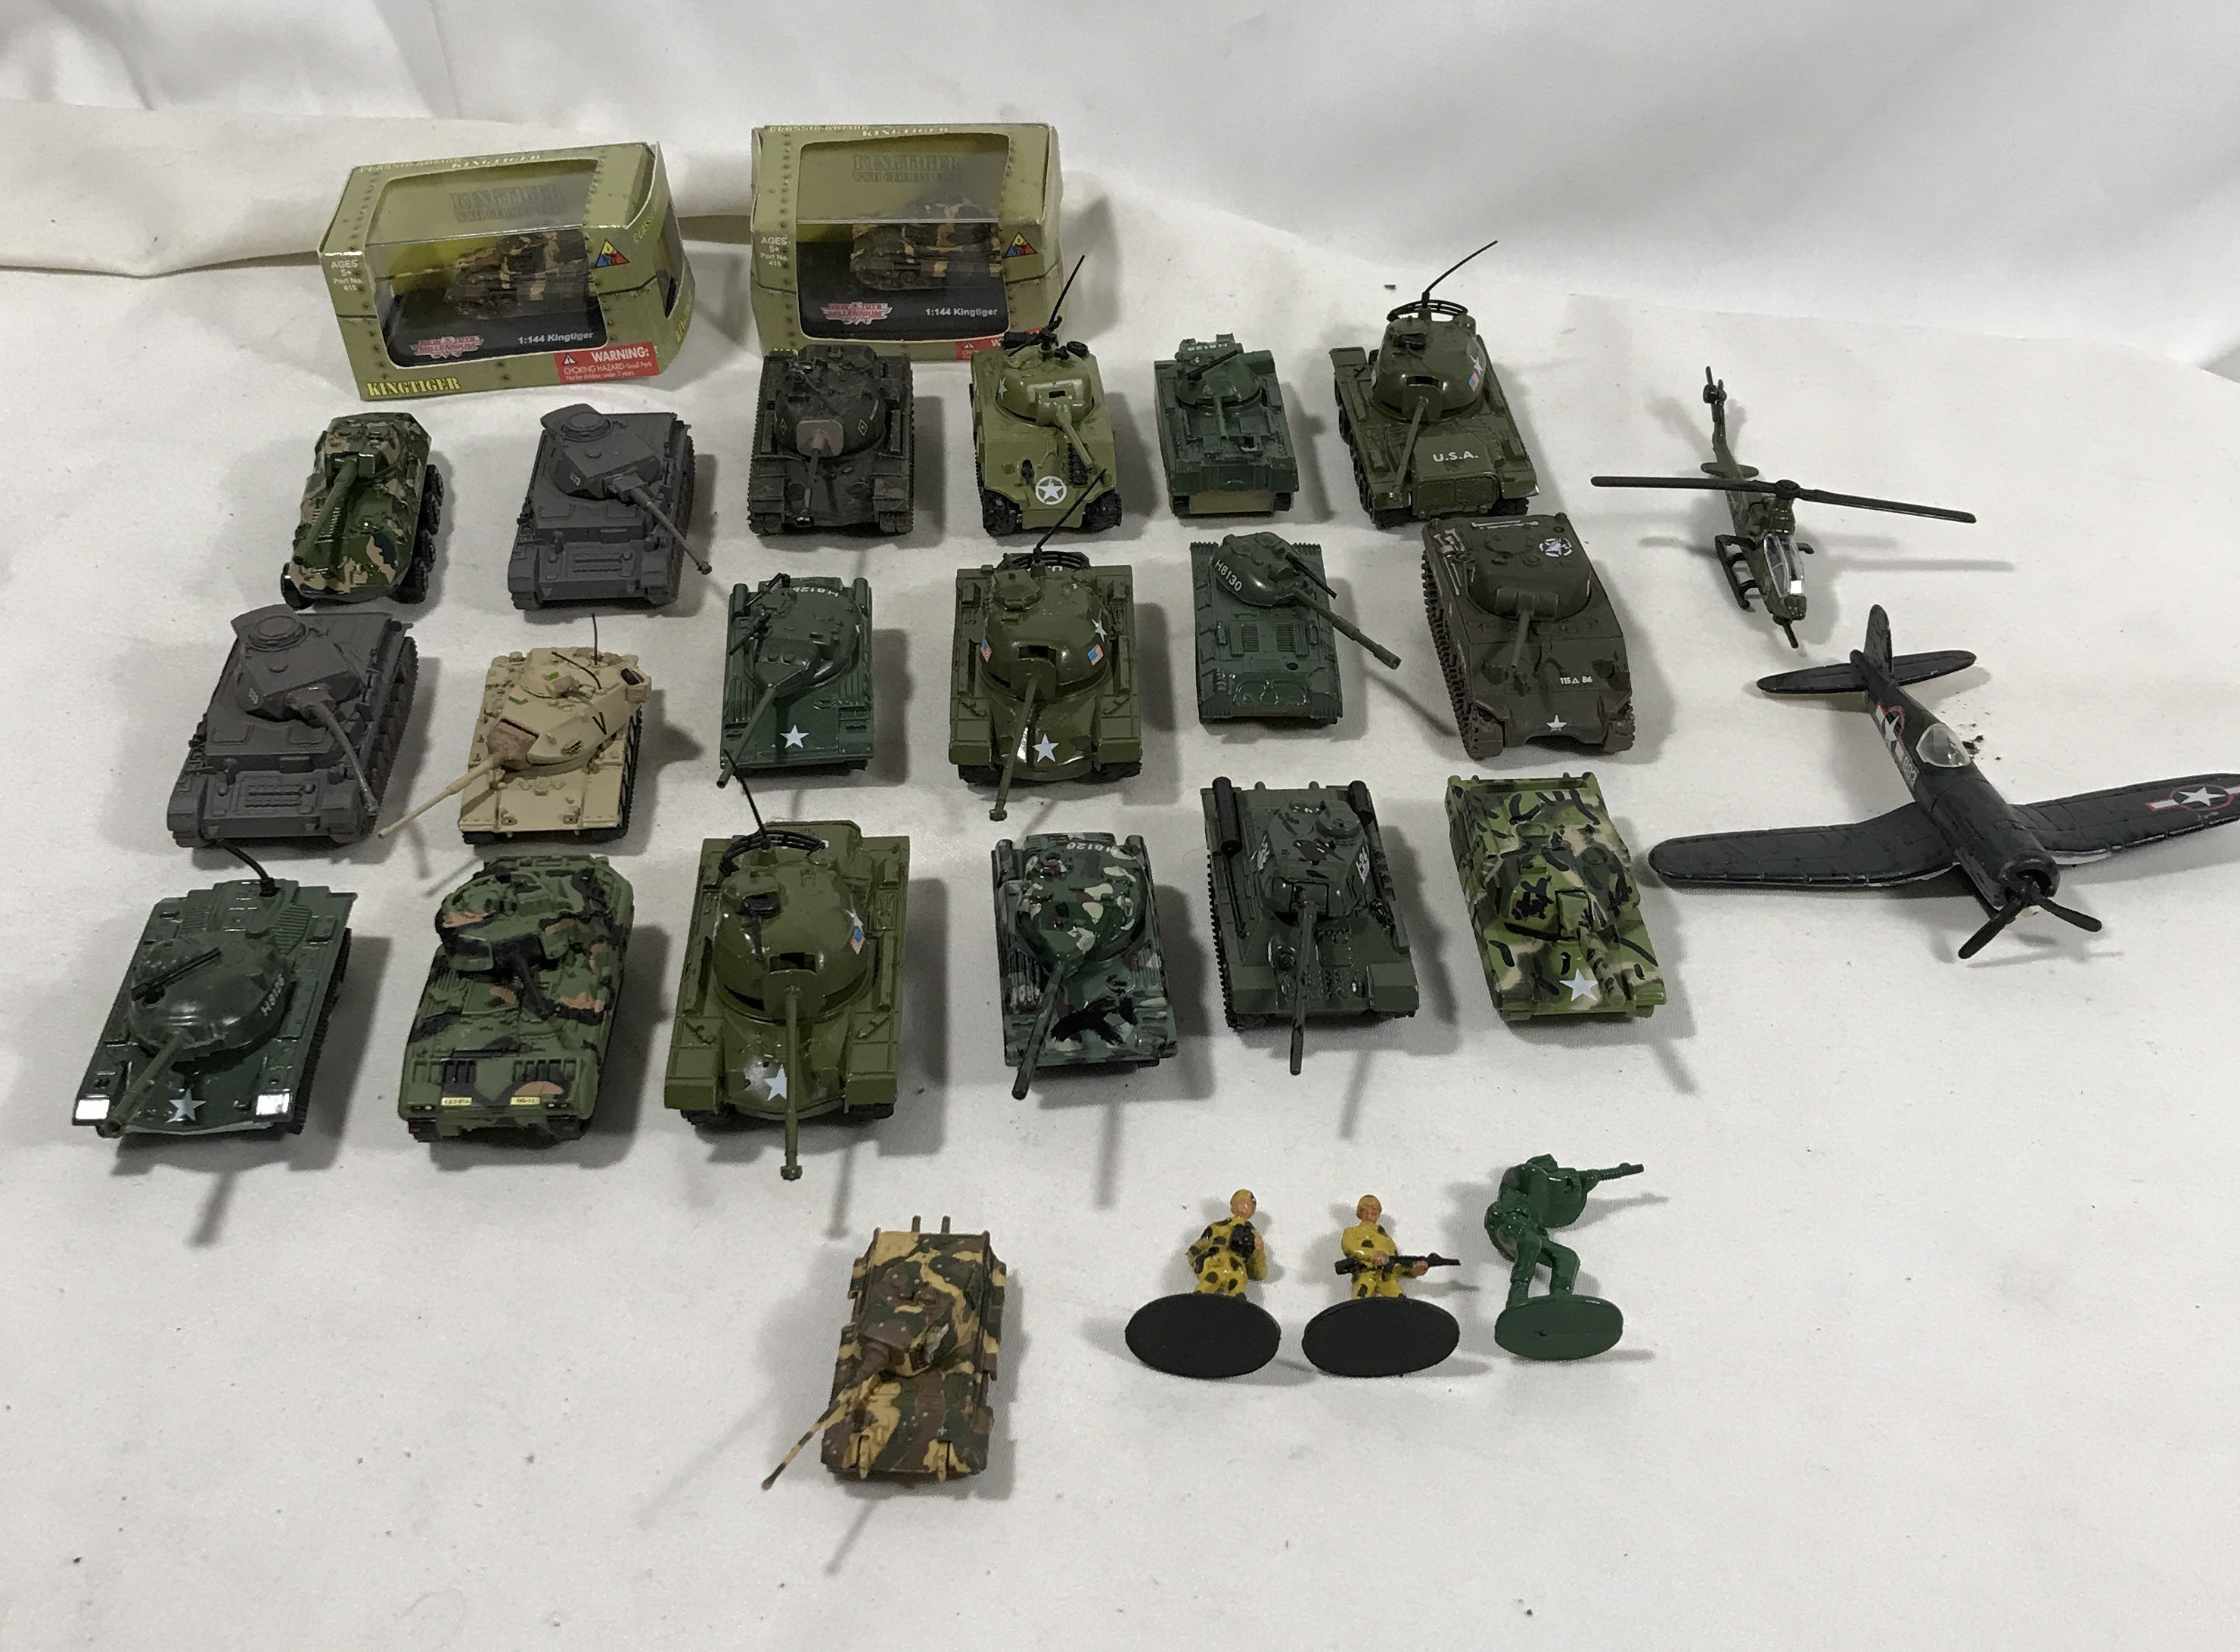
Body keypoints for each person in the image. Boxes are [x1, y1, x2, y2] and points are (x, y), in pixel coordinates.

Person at [1338, 1194, 1428, 1300]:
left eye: (1377, 1208)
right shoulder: (1352, 1231)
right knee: (1360, 1300)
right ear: (1361, 1210)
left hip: (1387, 1277)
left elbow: (1395, 1263)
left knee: (1400, 1301)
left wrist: (1413, 1270)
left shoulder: (1388, 1241)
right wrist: (1372, 1255)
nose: (1374, 1210)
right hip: (1366, 1274)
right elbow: (1351, 1247)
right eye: (1370, 1207)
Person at [1187, 1188, 1268, 1296]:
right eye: (1240, 1202)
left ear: (1253, 1211)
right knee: (1207, 1284)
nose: (1243, 1206)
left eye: (1248, 1204)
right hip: (1214, 1264)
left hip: (1236, 1269)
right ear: (1232, 1206)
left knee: (1237, 1290)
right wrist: (1199, 1262)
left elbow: (1260, 1273)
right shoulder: (1216, 1227)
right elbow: (1194, 1250)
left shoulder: (1253, 1236)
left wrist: (1259, 1253)